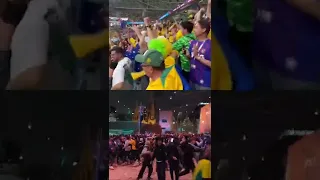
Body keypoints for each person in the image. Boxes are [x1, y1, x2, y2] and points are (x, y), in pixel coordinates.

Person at [189, 19, 212, 90]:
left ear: (203, 30)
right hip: (192, 79)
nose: (193, 30)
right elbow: (191, 57)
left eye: (196, 27)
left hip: (204, 82)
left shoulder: (211, 45)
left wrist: (198, 57)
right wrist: (187, 54)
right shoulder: (193, 43)